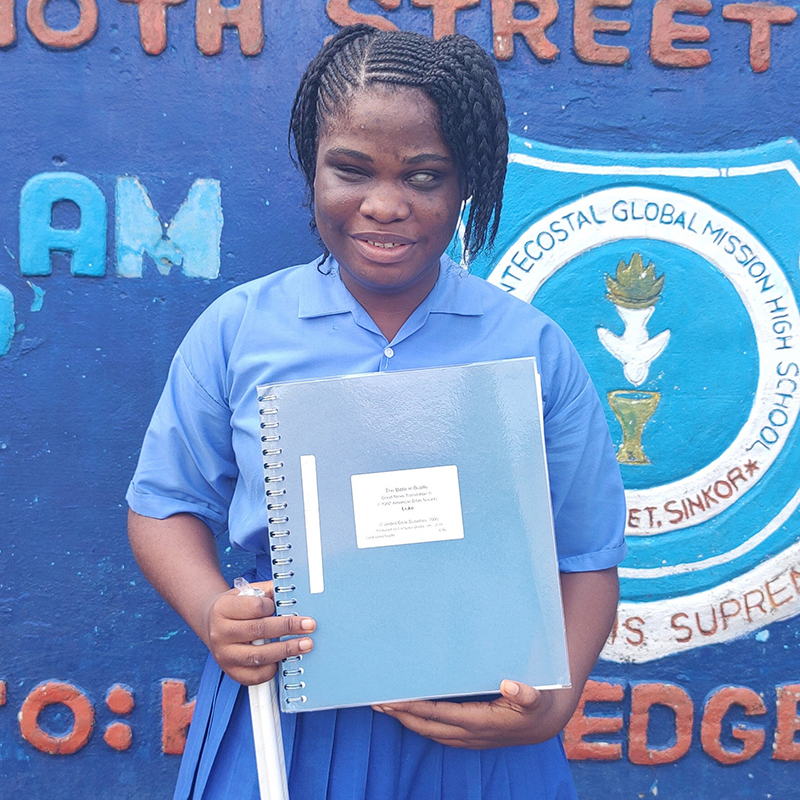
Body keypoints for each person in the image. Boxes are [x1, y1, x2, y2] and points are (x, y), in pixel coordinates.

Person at [127, 24, 627, 800]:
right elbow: (162, 505)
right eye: (351, 170)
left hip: (479, 725)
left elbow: (587, 555)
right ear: (312, 170)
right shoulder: (239, 329)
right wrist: (211, 611)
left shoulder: (533, 349)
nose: (385, 205)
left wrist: (552, 707)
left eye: (424, 176)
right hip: (285, 714)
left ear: (467, 183)